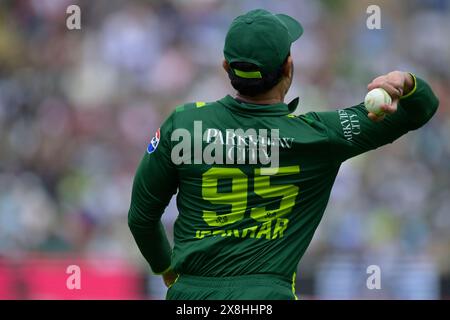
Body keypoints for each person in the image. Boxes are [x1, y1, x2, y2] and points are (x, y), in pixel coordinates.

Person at [128, 9, 439, 300]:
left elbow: (141, 218)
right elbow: (420, 110)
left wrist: (165, 268)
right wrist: (407, 82)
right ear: (289, 66)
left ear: (226, 66)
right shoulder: (320, 136)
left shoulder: (183, 124)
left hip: (191, 297)